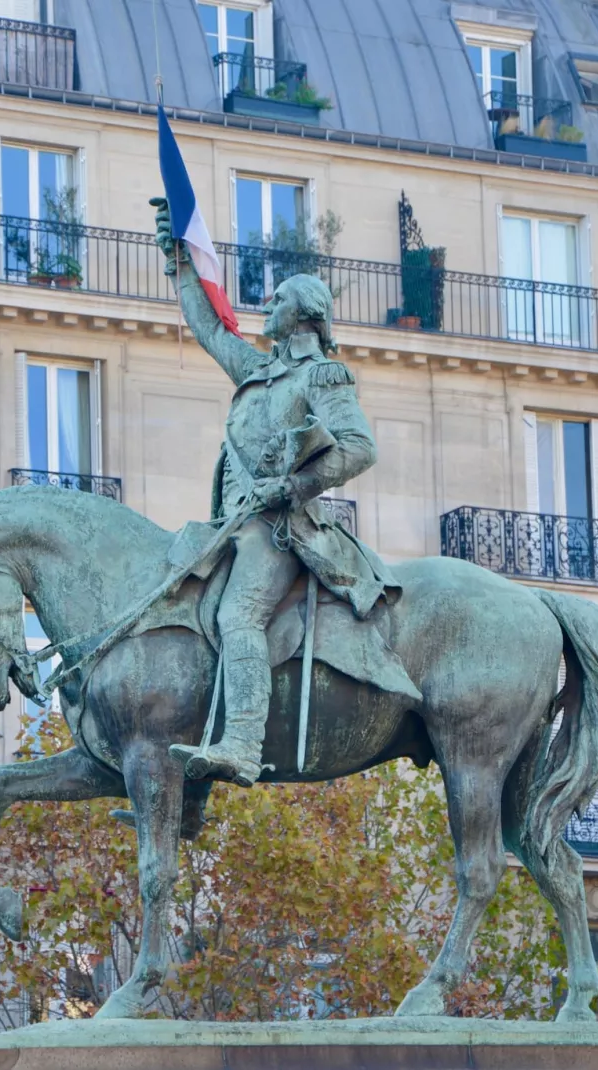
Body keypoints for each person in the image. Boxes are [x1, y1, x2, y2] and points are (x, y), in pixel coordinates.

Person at [151, 196, 399, 787]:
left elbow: (360, 447)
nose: (268, 304)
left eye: (280, 298)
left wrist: (294, 485)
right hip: (229, 527)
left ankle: (241, 744)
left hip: (279, 531)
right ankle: (186, 785)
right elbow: (208, 326)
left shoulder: (322, 376)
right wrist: (178, 260)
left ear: (307, 314)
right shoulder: (258, 371)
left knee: (240, 616)